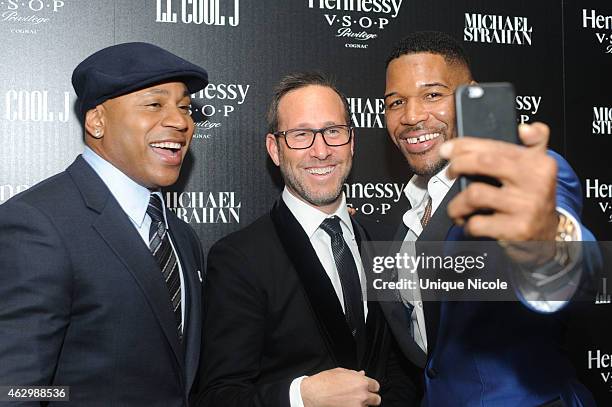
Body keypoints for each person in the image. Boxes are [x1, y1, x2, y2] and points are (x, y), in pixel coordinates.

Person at [379, 31, 597, 406]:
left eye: (433, 94)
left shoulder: (524, 176)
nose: (411, 116)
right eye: (396, 102)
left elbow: (583, 269)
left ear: (470, 96)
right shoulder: (409, 209)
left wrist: (544, 242)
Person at [0, 42, 208, 406]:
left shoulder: (181, 236)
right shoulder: (37, 226)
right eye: (155, 104)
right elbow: (14, 390)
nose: (180, 121)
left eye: (185, 107)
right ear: (97, 121)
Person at [194, 72, 417, 407]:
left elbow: (400, 368)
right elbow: (218, 396)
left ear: (352, 141)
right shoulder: (239, 259)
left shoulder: (381, 243)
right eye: (301, 135)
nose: (321, 150)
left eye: (333, 131)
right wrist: (301, 396)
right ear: (275, 148)